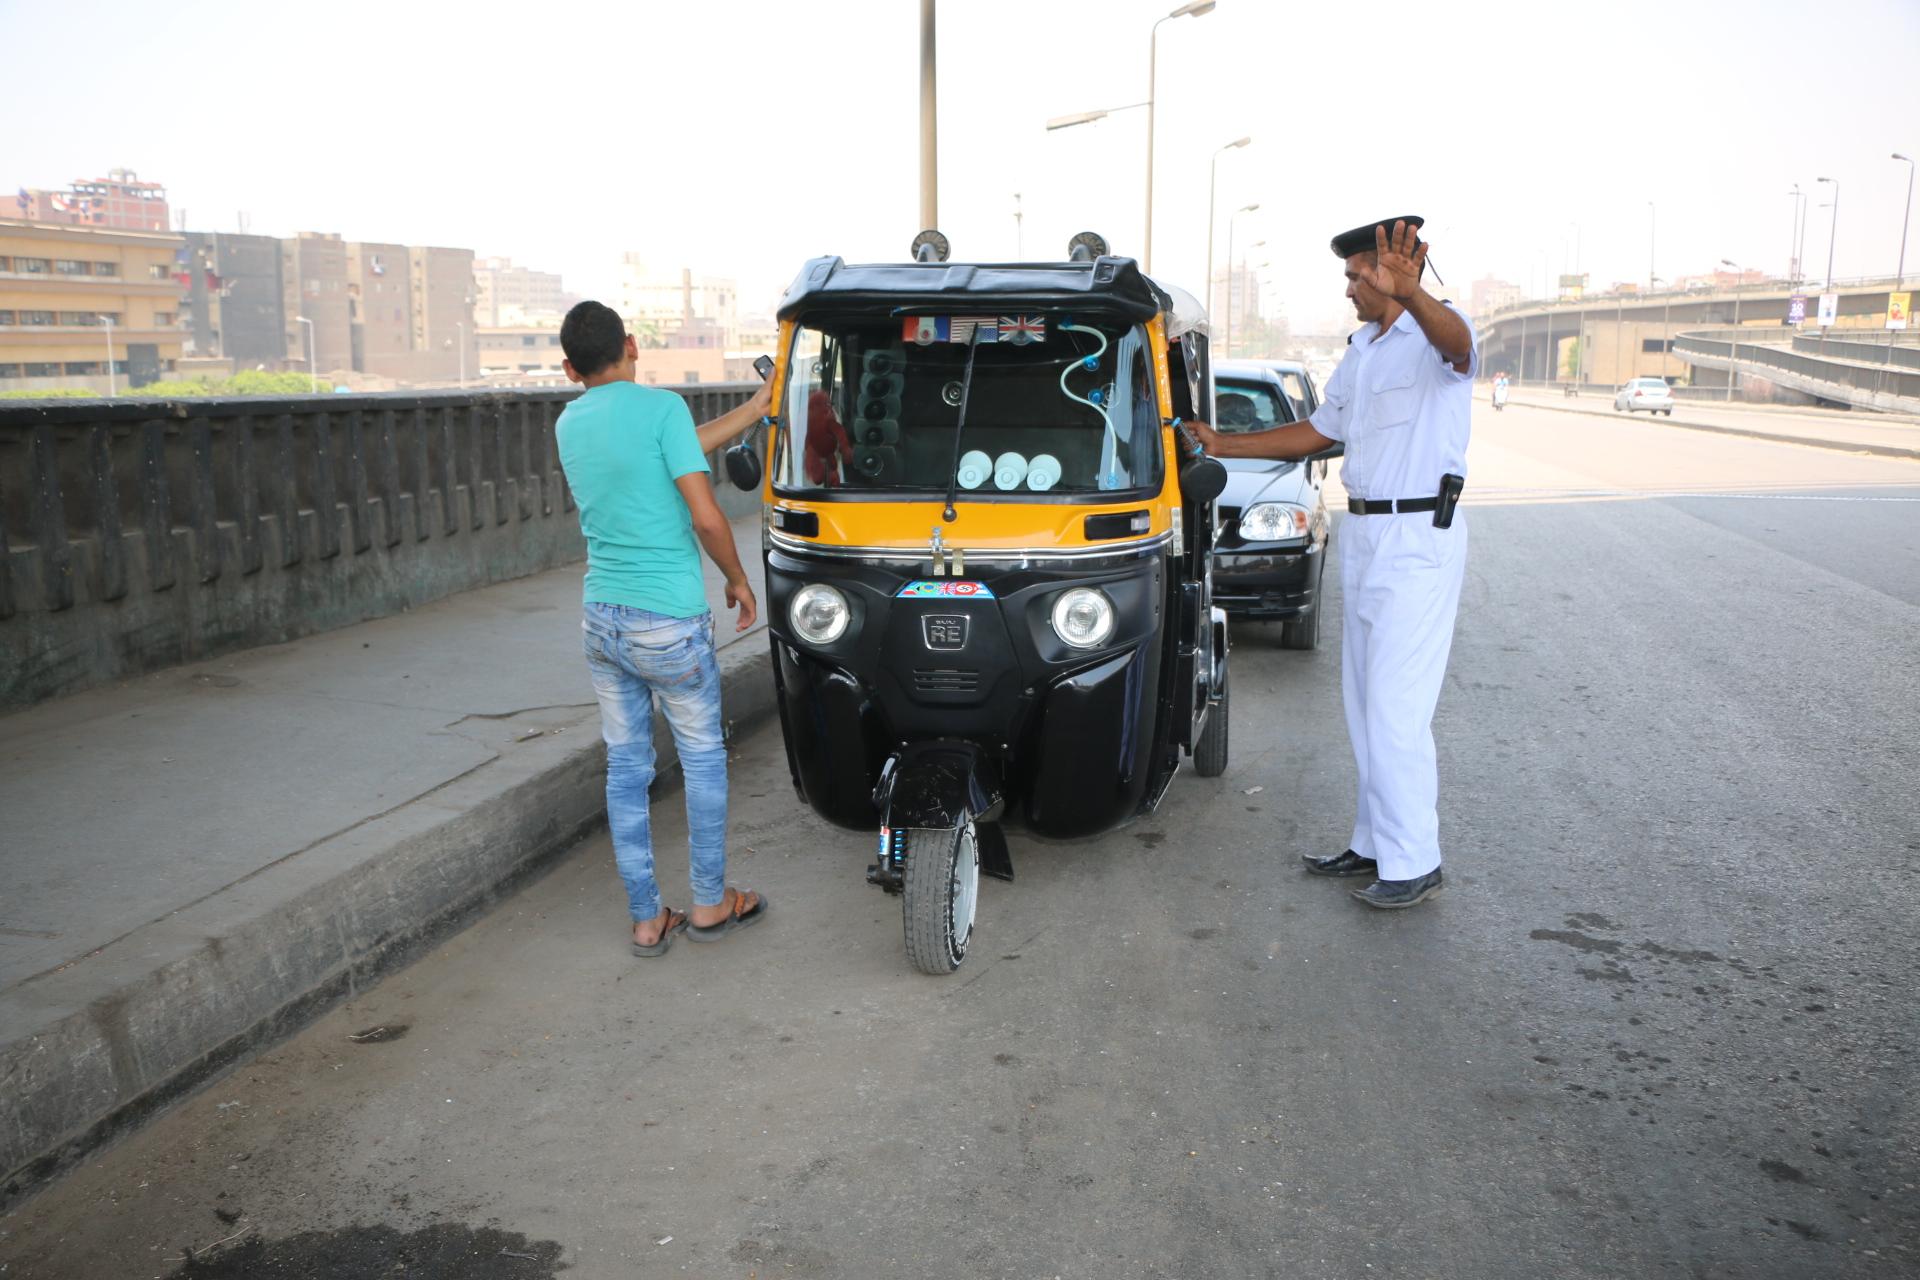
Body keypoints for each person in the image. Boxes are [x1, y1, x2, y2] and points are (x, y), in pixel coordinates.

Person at [1191, 217, 1474, 909]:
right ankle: (1377, 843)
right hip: (1371, 533)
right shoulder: (1364, 351)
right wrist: (1223, 442)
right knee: (1364, 702)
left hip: (1419, 535)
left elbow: (1460, 347)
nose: (1349, 288)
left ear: (1394, 272)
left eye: (1358, 275)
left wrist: (1414, 296)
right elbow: (1321, 431)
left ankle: (1415, 862)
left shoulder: (1436, 335)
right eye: (1349, 276)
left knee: (1398, 708)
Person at [556, 300, 774, 954]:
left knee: (626, 768)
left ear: (569, 368)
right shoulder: (662, 411)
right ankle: (710, 904)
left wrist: (756, 408)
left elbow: (665, 446)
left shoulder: (569, 423)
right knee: (702, 756)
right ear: (632, 345)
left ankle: (648, 919)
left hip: (602, 621)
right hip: (668, 623)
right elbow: (707, 517)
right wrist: (737, 579)